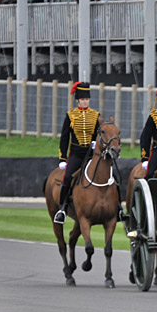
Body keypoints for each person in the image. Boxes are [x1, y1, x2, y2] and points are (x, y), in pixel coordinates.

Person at [53, 82, 102, 224]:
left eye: (87, 99)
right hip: (76, 154)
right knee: (67, 177)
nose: (85, 101)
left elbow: (99, 134)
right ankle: (62, 209)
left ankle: (116, 208)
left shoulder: (95, 115)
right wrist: (62, 158)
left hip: (91, 155)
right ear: (77, 100)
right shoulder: (71, 116)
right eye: (82, 99)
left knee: (110, 175)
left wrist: (95, 142)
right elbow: (64, 138)